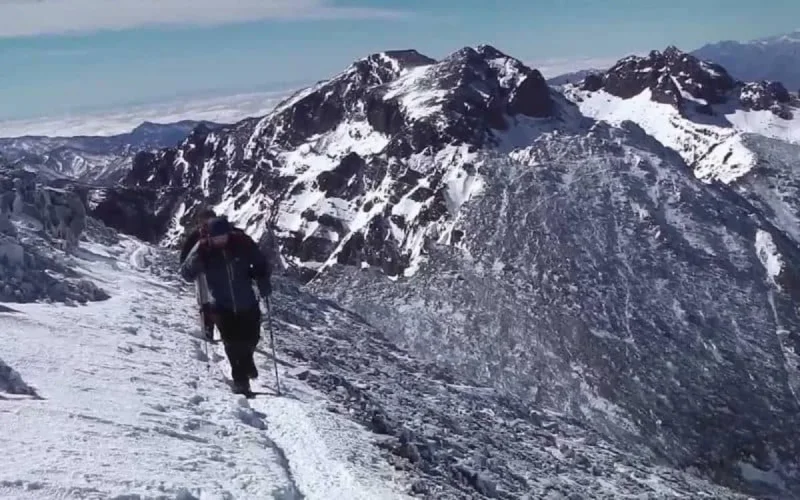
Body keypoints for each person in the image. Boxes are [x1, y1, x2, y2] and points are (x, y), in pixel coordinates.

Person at [179, 216, 272, 394]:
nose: (220, 240)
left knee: (252, 338)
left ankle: (247, 362)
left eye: (223, 236)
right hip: (221, 305)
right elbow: (186, 274)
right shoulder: (203, 250)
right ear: (209, 237)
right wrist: (195, 262)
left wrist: (262, 279)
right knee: (231, 343)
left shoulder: (242, 243)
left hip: (247, 300)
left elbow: (260, 262)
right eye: (216, 237)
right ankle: (241, 381)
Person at [180, 208, 218, 340]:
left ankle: (211, 329)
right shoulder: (197, 237)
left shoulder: (197, 236)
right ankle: (208, 329)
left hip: (210, 272)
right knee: (206, 301)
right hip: (203, 273)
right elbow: (185, 258)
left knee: (210, 301)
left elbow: (184, 258)